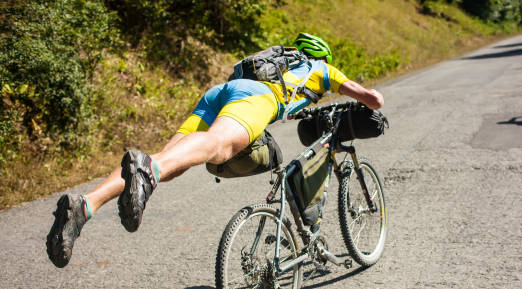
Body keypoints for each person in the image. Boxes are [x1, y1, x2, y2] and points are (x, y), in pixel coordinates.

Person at [46, 33, 385, 268]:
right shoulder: (323, 69)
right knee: (219, 147)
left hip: (221, 91)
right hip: (256, 98)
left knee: (169, 163)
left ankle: (86, 205)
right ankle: (143, 172)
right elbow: (373, 100)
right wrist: (354, 92)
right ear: (322, 55)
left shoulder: (279, 60)